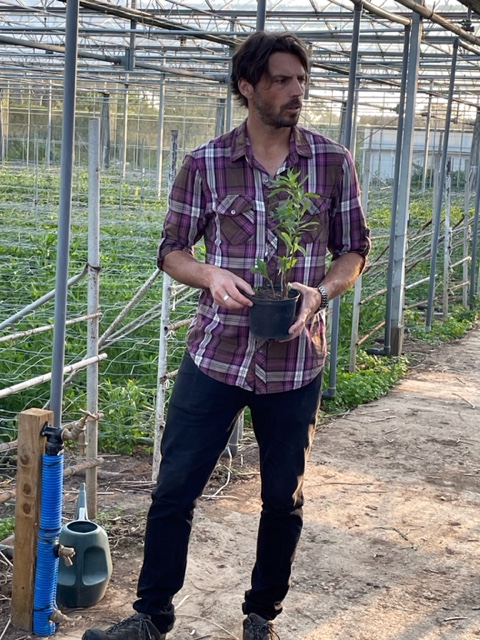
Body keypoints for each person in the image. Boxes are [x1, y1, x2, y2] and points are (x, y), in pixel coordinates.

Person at [83, 30, 370, 640]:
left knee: (281, 497)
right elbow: (171, 251)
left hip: (295, 359)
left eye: (301, 79)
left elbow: (354, 251)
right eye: (282, 80)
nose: (297, 91)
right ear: (247, 86)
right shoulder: (206, 163)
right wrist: (208, 273)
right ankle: (152, 615)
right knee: (174, 490)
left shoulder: (331, 162)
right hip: (216, 355)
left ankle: (262, 614)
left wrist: (323, 291)